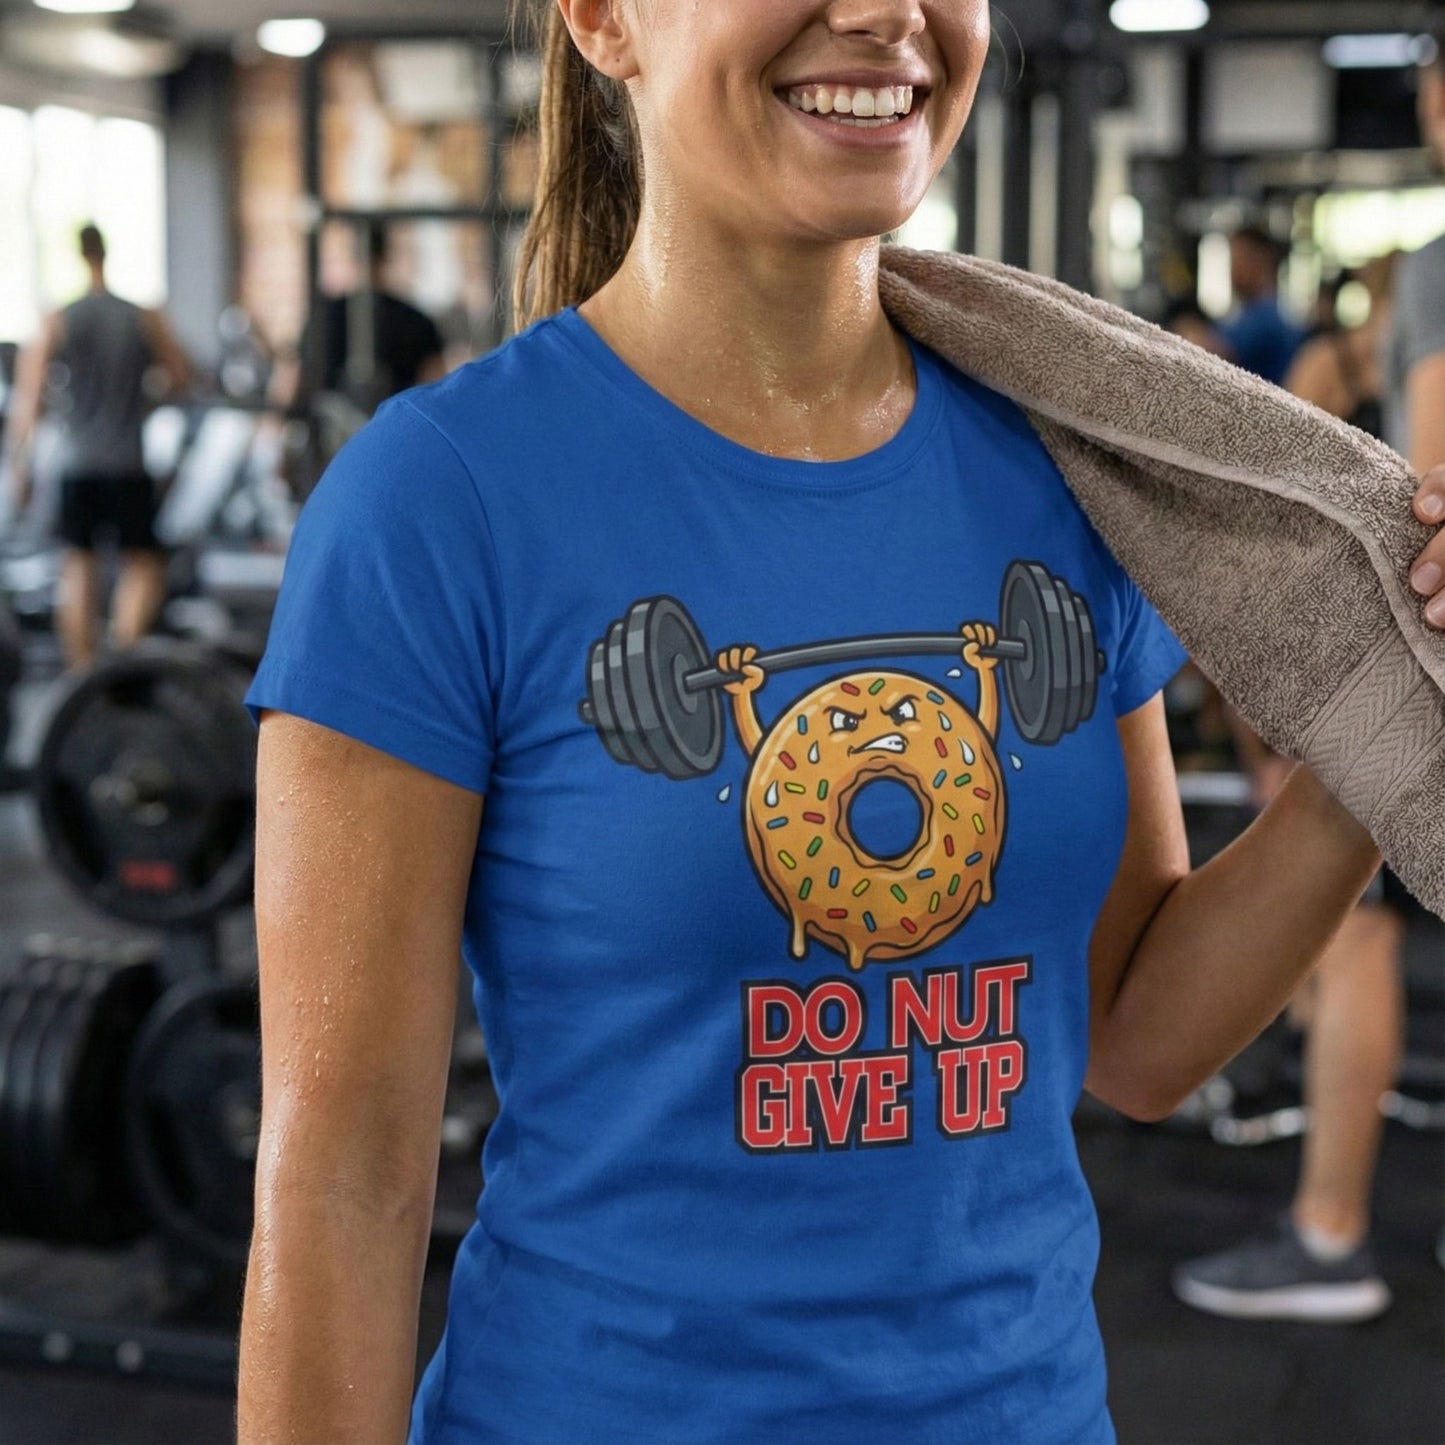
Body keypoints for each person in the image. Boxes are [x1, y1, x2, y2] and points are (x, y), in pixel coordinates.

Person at [235, 4, 1445, 1442]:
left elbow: (1131, 1034)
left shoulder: (1066, 463)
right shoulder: (440, 499)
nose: (883, 12)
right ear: (604, 19)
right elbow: (344, 1179)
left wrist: (1387, 718)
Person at [1172, 248, 1414, 1324]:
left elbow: (1288, 556)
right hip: (1367, 698)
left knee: (1354, 939)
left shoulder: (1348, 359)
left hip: (1388, 700)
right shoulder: (1336, 366)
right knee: (1340, 940)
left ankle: (1328, 1234)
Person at [3, 224, 192, 669]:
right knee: (142, 562)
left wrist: (19, 462)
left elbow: (30, 397)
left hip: (77, 463)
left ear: (79, 254)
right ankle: (122, 657)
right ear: (105, 253)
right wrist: (144, 399)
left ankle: (84, 674)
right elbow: (181, 377)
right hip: (127, 461)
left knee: (78, 563)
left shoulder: (58, 319)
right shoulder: (142, 316)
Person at [1217, 224, 1308, 386]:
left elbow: (1219, 356)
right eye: (1232, 259)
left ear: (1263, 260)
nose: (1233, 269)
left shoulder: (1270, 320)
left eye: (1240, 258)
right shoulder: (1244, 316)